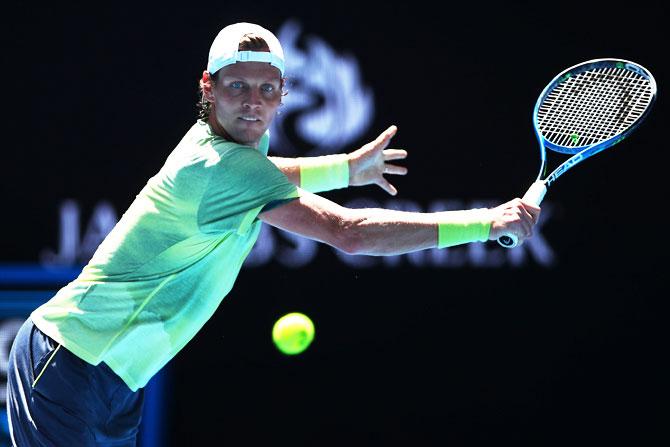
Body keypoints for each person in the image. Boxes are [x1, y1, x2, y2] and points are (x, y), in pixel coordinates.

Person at [6, 22, 540, 445]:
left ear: (284, 93)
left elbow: (269, 175)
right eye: (237, 86)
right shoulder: (221, 167)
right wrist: (486, 223)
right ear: (208, 87)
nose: (252, 102)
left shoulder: (233, 154)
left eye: (266, 89)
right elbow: (348, 232)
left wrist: (348, 169)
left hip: (114, 377)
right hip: (70, 360)